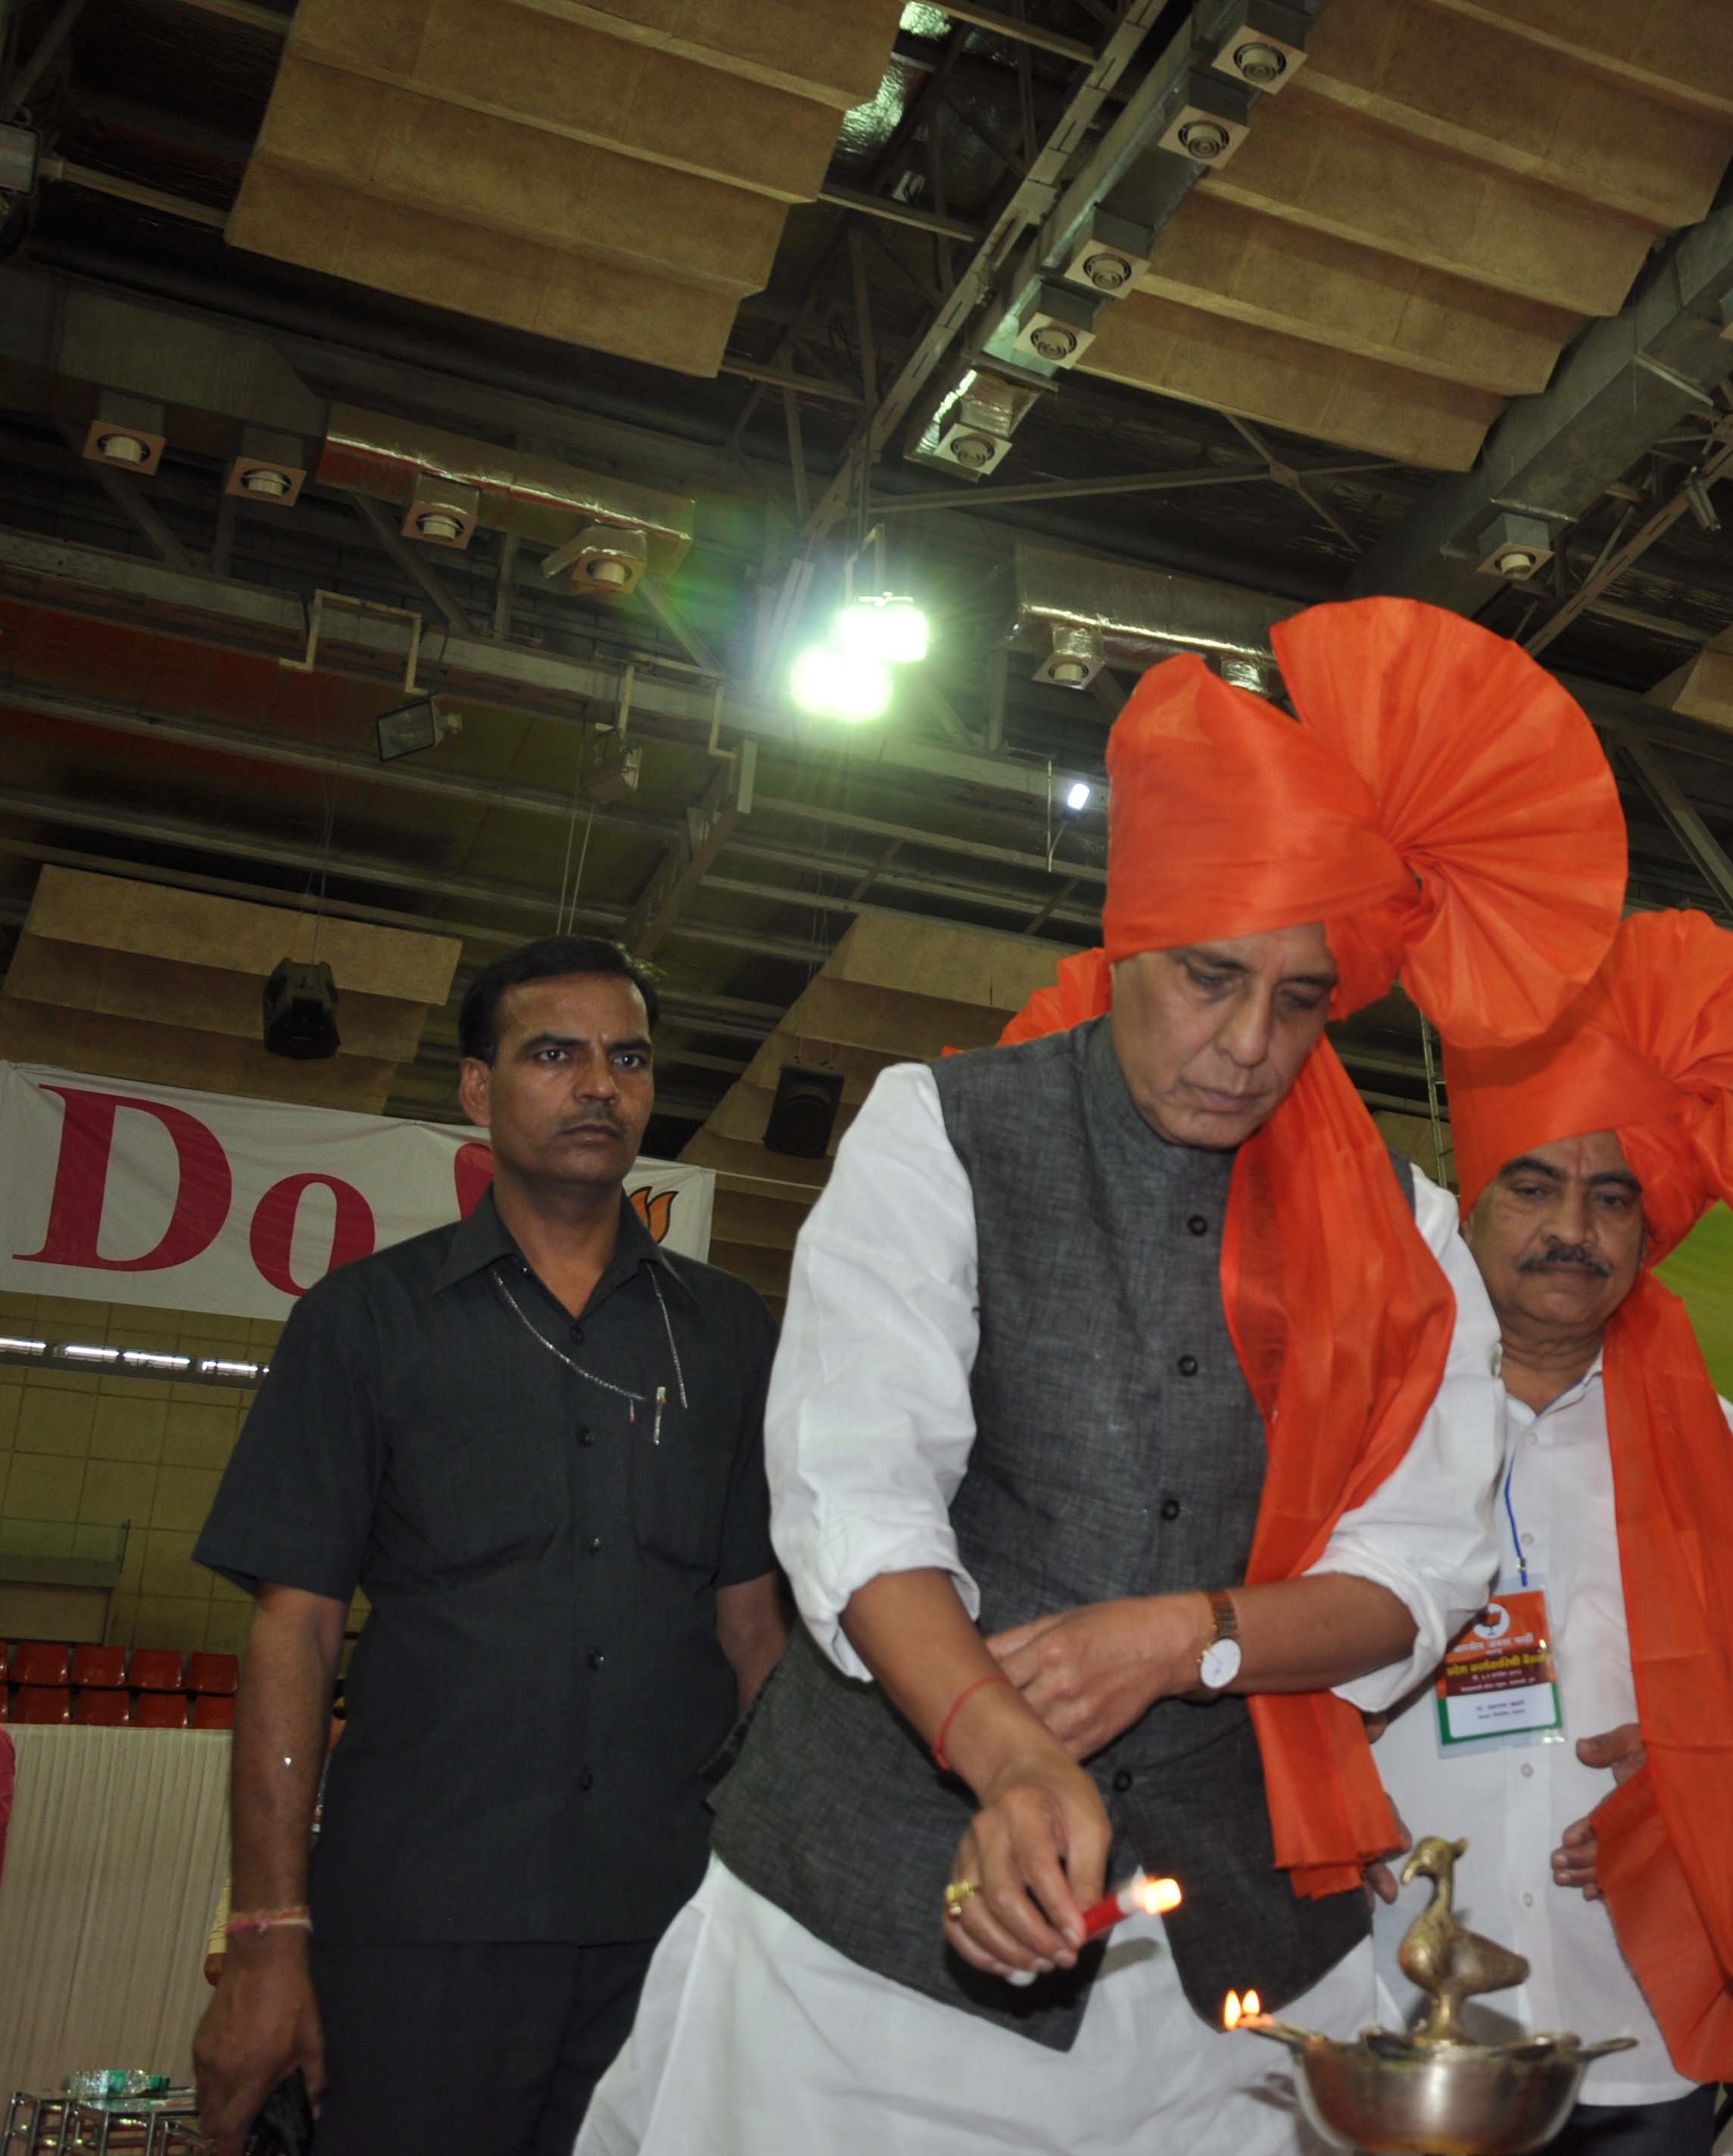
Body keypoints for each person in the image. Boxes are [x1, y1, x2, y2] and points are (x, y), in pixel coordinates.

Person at [575, 599, 1628, 2156]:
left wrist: (1184, 1639)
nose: (1248, 1043)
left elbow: (1416, 1571)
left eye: (1300, 998)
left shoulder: (1401, 1229)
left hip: (1222, 1976)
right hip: (872, 1938)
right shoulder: (941, 1131)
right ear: (1130, 936)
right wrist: (1002, 1749)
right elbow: (859, 1499)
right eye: (1210, 978)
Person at [190, 934, 789, 2156]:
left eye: (626, 1058)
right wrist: (267, 1932)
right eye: (553, 1053)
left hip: (670, 1925)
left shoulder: (730, 1334)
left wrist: (788, 1904)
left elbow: (755, 1631)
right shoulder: (365, 1321)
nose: (598, 1085)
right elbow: (292, 1629)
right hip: (420, 1922)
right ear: (477, 1087)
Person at [1364, 909, 1733, 2154]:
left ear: (1649, 1230)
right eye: (1531, 1185)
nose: (1569, 1228)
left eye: (1608, 1197)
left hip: (1634, 2004)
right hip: (1385, 1991)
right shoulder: (1357, 1421)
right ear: (1467, 1204)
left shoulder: (1723, 1454)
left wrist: (1695, 1767)